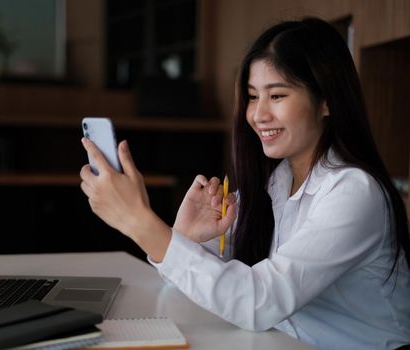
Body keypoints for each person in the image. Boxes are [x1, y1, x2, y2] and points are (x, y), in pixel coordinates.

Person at [80, 17, 410, 350]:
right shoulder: (277, 181)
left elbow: (258, 302)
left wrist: (140, 223)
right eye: (252, 97)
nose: (258, 114)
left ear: (326, 101)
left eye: (277, 95)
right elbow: (195, 288)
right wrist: (188, 239)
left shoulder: (354, 191)